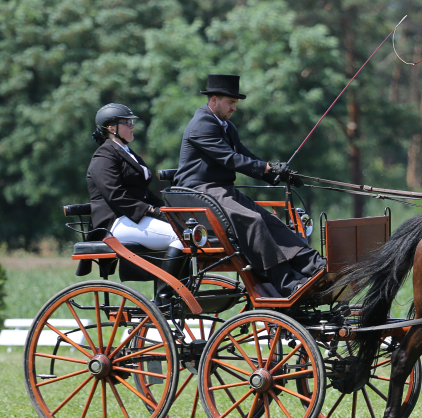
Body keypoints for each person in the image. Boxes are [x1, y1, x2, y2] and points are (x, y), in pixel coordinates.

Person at [173, 74, 325, 296]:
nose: (234, 108)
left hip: (222, 191)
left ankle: (314, 264)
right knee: (252, 221)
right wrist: (268, 168)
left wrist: (277, 174)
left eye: (235, 103)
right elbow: (230, 159)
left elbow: (246, 156)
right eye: (230, 103)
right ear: (213, 100)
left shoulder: (226, 126)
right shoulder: (201, 125)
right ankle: (285, 283)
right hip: (200, 192)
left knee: (269, 220)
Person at [87, 103, 182, 253]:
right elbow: (115, 195)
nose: (132, 126)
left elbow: (143, 191)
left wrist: (166, 209)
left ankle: (178, 277)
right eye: (127, 122)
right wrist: (150, 210)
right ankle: (169, 278)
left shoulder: (126, 152)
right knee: (181, 237)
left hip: (133, 218)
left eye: (132, 122)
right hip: (115, 222)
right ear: (111, 128)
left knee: (186, 230)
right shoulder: (104, 155)